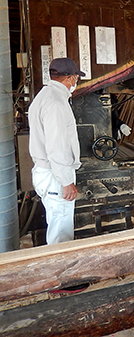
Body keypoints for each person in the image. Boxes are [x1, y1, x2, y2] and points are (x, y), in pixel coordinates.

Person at [29, 57, 85, 245]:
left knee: (57, 226)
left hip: (47, 172)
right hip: (55, 176)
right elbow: (57, 146)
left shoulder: (44, 96)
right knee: (61, 234)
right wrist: (66, 181)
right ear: (70, 78)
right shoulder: (56, 103)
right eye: (76, 78)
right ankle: (61, 272)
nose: (75, 83)